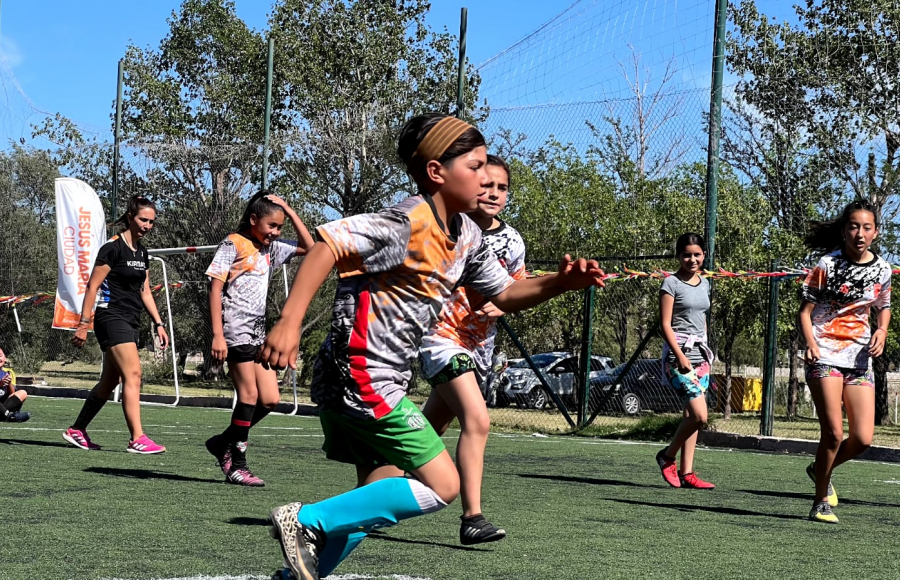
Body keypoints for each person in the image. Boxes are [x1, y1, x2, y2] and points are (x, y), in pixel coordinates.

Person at [258, 113, 604, 580]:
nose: (487, 179)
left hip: (378, 377)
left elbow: (504, 294)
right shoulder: (407, 222)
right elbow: (327, 245)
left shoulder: (469, 235)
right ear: (437, 173)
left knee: (379, 488)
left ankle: (302, 573)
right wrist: (288, 322)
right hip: (362, 371)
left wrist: (561, 283)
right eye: (477, 167)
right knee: (443, 484)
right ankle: (305, 521)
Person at [417, 153, 525, 545]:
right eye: (486, 185)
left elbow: (517, 285)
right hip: (440, 337)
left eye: (502, 188)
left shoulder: (512, 240)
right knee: (477, 421)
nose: (493, 193)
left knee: (428, 431)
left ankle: (370, 497)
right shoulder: (447, 228)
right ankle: (472, 518)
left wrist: (505, 301)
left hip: (479, 346)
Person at [204, 191, 315, 486]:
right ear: (253, 220)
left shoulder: (271, 249)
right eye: (271, 226)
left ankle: (222, 442)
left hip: (258, 334)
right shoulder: (234, 243)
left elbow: (310, 247)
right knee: (249, 396)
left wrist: (289, 210)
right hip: (234, 331)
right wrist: (218, 335)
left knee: (270, 399)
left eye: (279, 227)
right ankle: (237, 465)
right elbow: (214, 289)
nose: (276, 232)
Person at [800, 199, 891, 524]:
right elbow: (805, 312)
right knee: (834, 433)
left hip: (858, 358)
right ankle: (820, 501)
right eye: (854, 226)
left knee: (864, 438)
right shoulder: (826, 265)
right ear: (844, 230)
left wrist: (881, 330)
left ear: (876, 232)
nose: (860, 233)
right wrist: (810, 342)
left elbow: (883, 304)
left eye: (867, 227)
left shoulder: (882, 268)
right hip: (824, 353)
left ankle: (819, 469)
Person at [63, 196, 170, 454]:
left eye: (152, 222)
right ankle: (137, 438)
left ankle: (77, 430)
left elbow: (145, 291)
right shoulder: (112, 248)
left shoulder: (143, 253)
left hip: (132, 320)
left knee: (110, 381)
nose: (147, 225)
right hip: (110, 317)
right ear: (131, 217)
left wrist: (158, 322)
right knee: (133, 374)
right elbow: (93, 286)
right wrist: (83, 323)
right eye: (143, 219)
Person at [654, 232, 716, 490]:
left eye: (697, 254)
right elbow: (665, 325)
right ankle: (667, 456)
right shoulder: (671, 284)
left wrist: (707, 353)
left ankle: (687, 472)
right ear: (679, 256)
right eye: (687, 254)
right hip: (678, 356)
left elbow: (701, 319)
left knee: (691, 414)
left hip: (700, 356)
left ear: (704, 255)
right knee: (700, 416)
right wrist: (679, 355)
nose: (692, 259)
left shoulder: (704, 283)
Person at [0, 346, 30, 422]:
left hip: (3, 405)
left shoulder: (8, 372)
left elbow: (12, 395)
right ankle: (9, 416)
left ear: (5, 357)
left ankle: (5, 415)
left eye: (0, 356)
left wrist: (9, 383)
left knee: (23, 393)